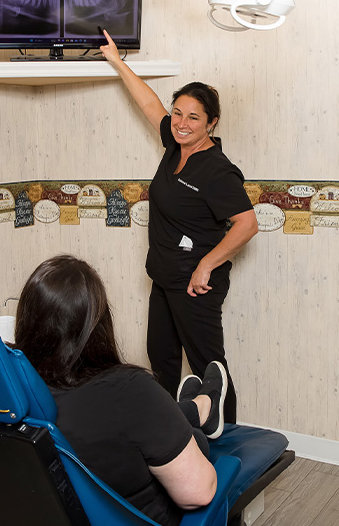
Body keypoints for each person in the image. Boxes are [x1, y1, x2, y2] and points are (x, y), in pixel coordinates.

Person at [99, 30, 259, 423]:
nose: (182, 123)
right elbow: (149, 103)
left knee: (209, 368)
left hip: (195, 283)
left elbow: (247, 224)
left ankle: (229, 437)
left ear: (212, 123)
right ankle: (168, 434)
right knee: (162, 360)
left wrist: (207, 265)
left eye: (194, 117)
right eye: (179, 113)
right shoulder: (174, 146)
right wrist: (118, 62)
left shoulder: (218, 170)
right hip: (165, 277)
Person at [14, 255, 229, 526]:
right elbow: (199, 493)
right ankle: (203, 405)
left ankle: (198, 406)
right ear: (97, 325)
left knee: (153, 419)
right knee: (194, 440)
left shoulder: (9, 392)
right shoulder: (129, 391)